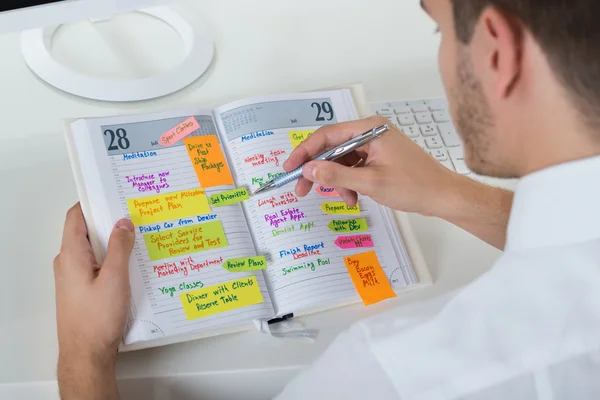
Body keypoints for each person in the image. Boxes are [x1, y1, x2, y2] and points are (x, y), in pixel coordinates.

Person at [53, 0, 600, 398]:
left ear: (497, 50)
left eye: (438, 31)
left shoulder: (400, 372)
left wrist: (83, 357)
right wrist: (450, 195)